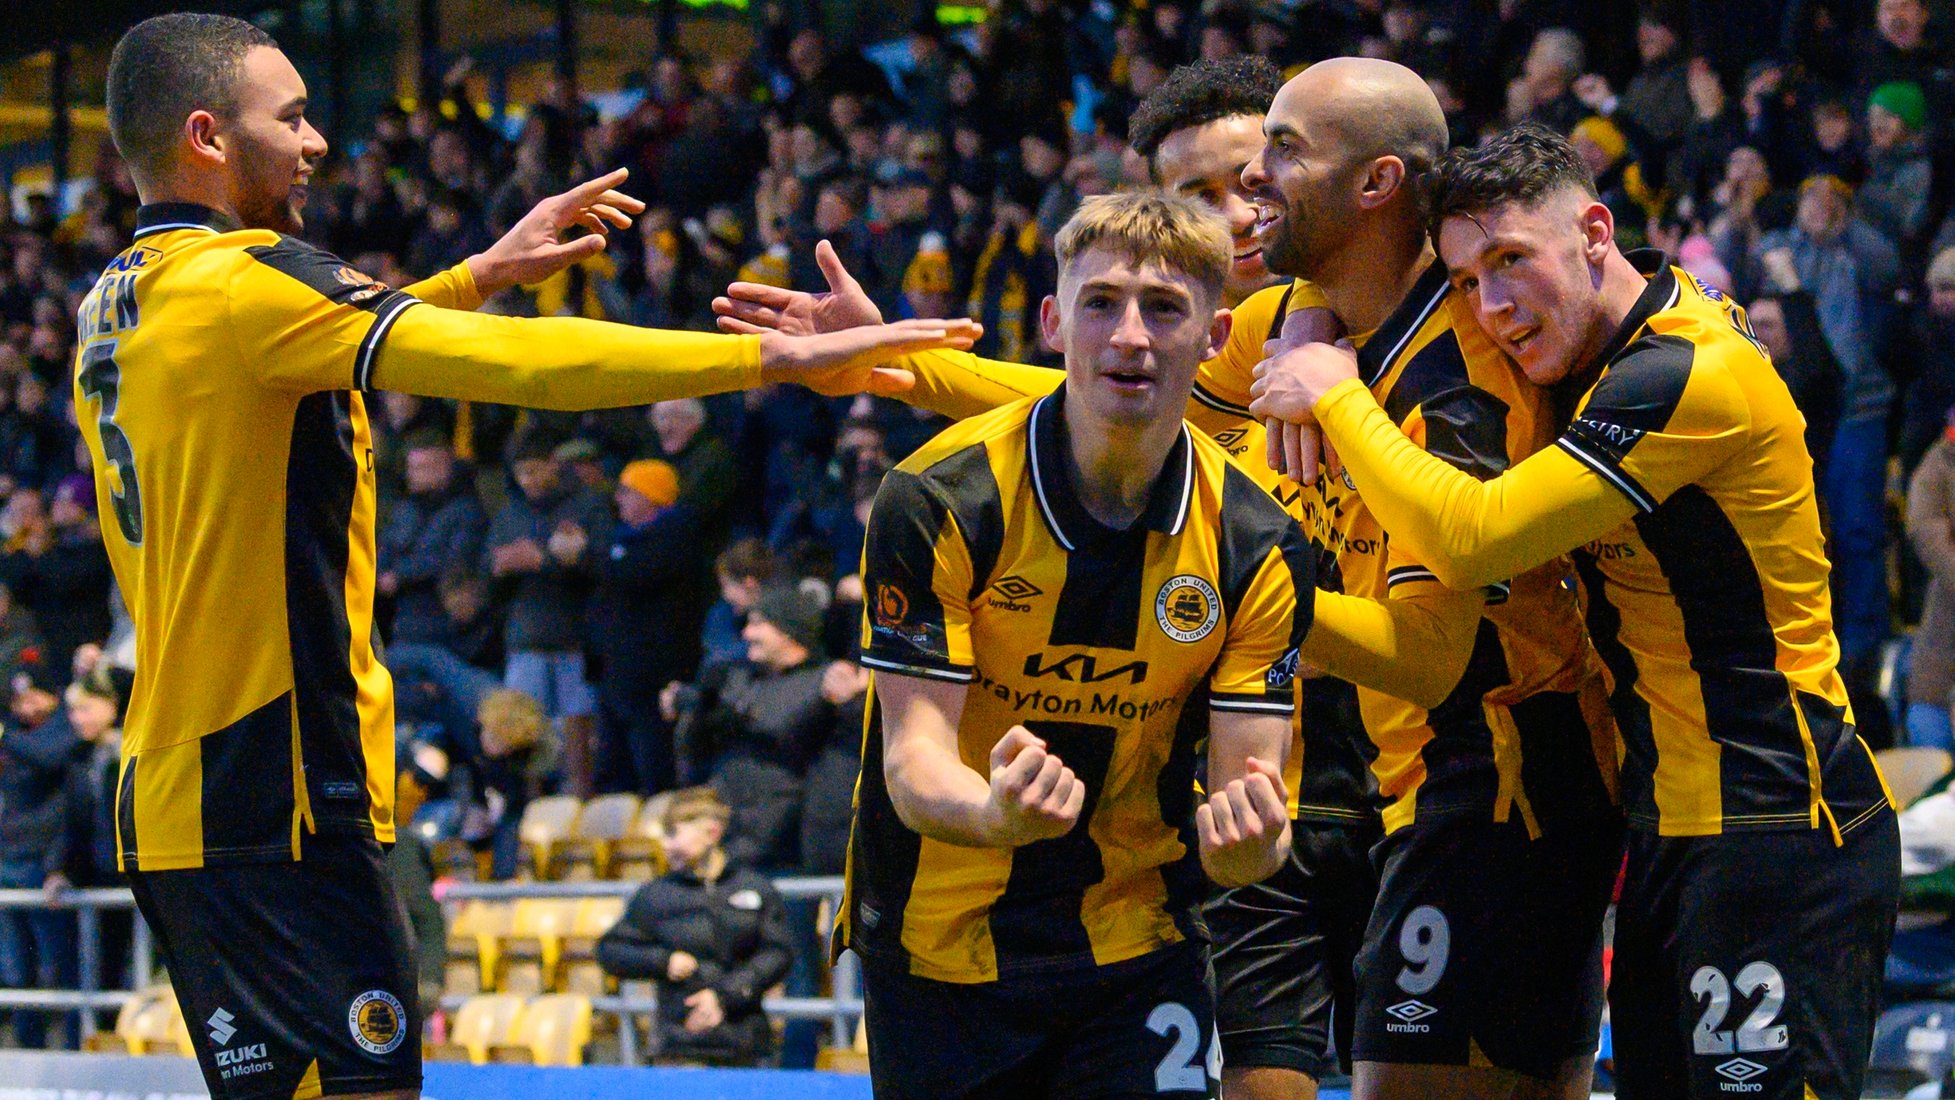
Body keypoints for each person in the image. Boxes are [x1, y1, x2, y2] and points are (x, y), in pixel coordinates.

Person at [81, 15, 969, 1100]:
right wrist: (769, 355)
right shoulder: (245, 281)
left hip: (178, 793)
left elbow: (317, 341)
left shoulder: (114, 301)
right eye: (295, 117)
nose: (316, 143)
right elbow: (517, 367)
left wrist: (479, 272)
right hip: (280, 787)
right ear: (209, 136)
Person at [731, 57, 1624, 1100]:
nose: (1236, 207)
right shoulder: (1269, 332)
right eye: (1189, 194)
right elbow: (1107, 391)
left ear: (1367, 183)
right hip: (1270, 780)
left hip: (1478, 763)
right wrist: (896, 363)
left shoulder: (1415, 358)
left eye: (1258, 166)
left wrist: (1261, 555)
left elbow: (1431, 638)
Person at [1250, 122, 1900, 1100]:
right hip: (1664, 832)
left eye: (1511, 262)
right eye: (1468, 281)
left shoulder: (1684, 371)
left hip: (1773, 825)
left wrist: (1338, 396)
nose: (1494, 307)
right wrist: (1308, 309)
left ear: (1593, 231)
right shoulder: (1586, 358)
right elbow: (1370, 251)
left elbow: (1473, 536)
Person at [595, 787, 793, 1066]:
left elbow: (778, 953)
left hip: (746, 1046)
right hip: (680, 1047)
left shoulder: (755, 888)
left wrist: (725, 996)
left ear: (711, 833)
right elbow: (610, 950)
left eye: (673, 834)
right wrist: (662, 961)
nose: (665, 845)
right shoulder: (657, 894)